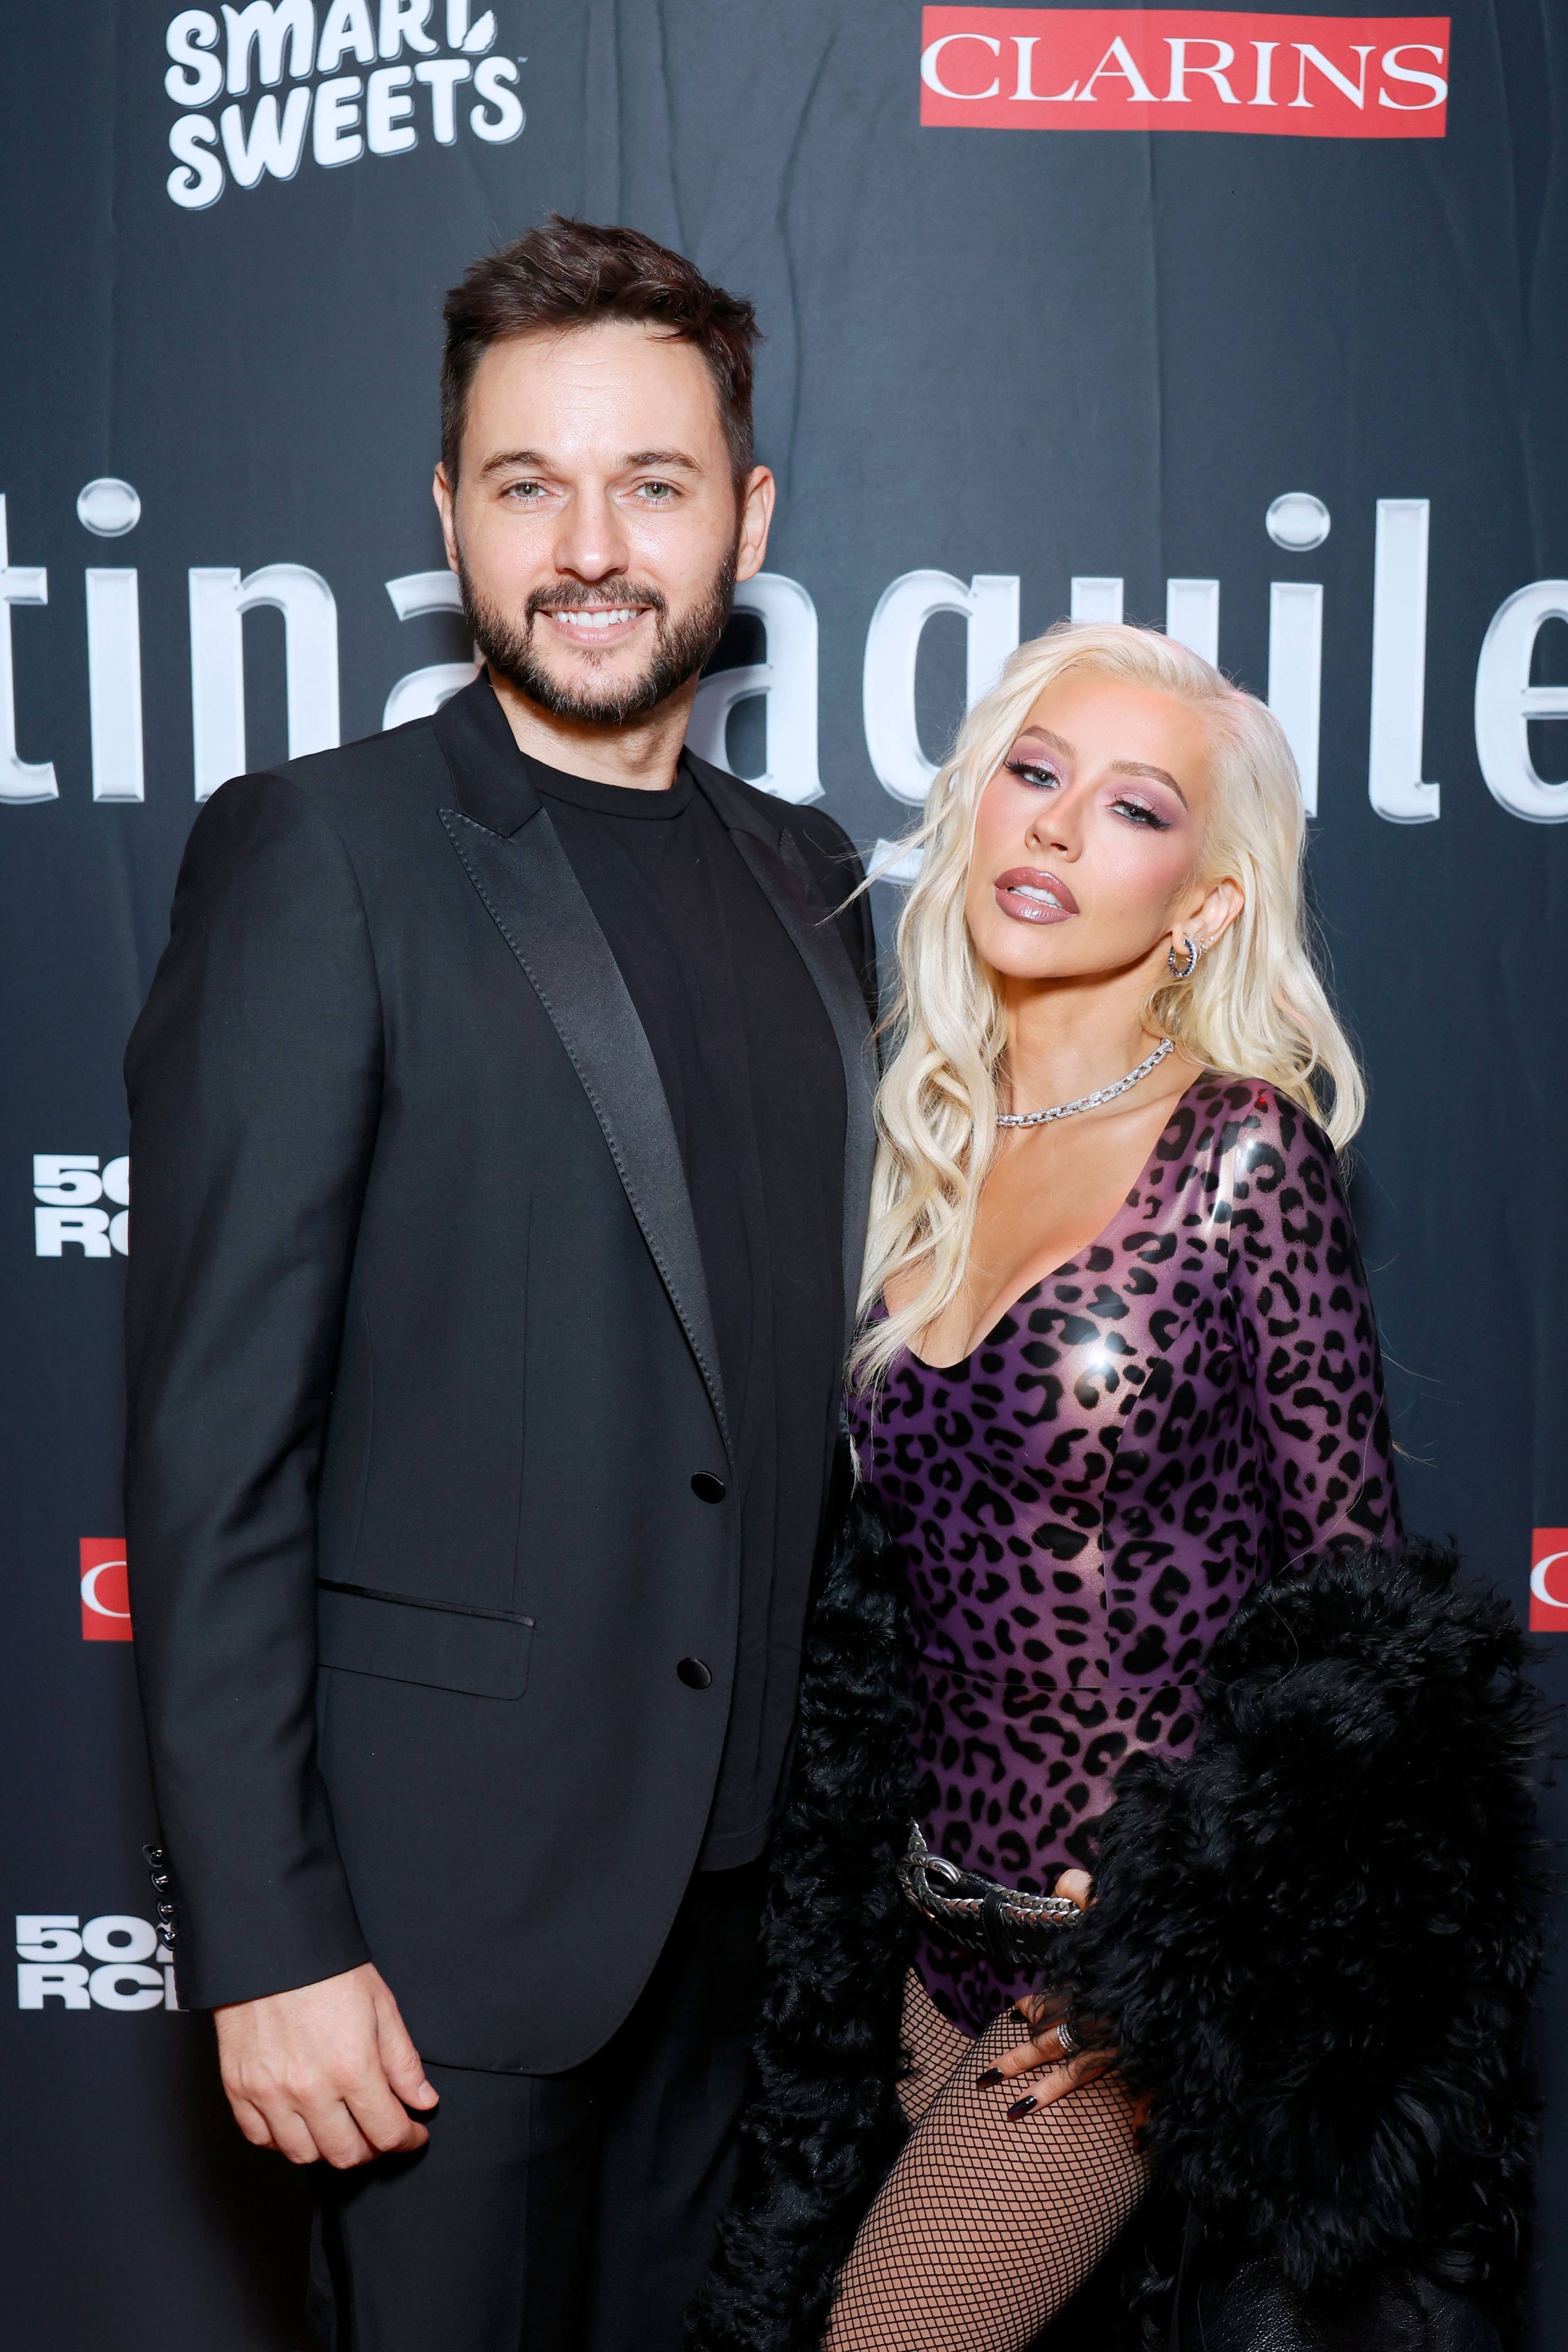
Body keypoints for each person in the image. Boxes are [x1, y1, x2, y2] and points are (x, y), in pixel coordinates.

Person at [122, 217, 877, 2352]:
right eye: (525, 484)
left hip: (745, 1951)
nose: (590, 548)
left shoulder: (814, 877)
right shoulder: (318, 856)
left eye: (652, 484)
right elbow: (213, 1454)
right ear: (443, 511)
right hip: (434, 1955)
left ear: (748, 515)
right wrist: (267, 1943)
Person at [697, 619, 1407, 2352]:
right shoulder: (910, 1142)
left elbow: (1356, 1619)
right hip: (916, 1944)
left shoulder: (1243, 1150)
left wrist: (1196, 1933)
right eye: (1033, 774)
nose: (1057, 825)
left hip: (1117, 1992)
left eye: (1133, 806)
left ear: (1206, 903)